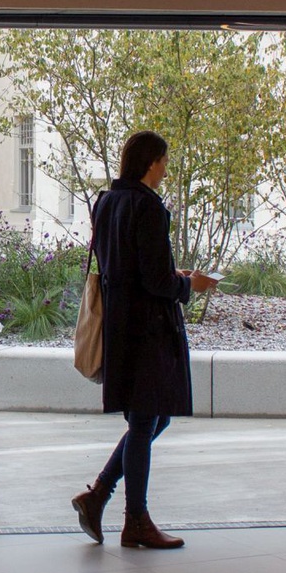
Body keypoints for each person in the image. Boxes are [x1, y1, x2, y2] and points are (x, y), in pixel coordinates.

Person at [70, 129, 212, 549]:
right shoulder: (147, 206)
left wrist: (171, 274)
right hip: (149, 331)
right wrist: (189, 285)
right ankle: (135, 521)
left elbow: (127, 267)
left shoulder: (107, 202)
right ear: (151, 162)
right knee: (148, 419)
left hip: (120, 326)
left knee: (151, 419)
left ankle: (99, 496)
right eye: (164, 162)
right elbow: (154, 281)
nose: (166, 170)